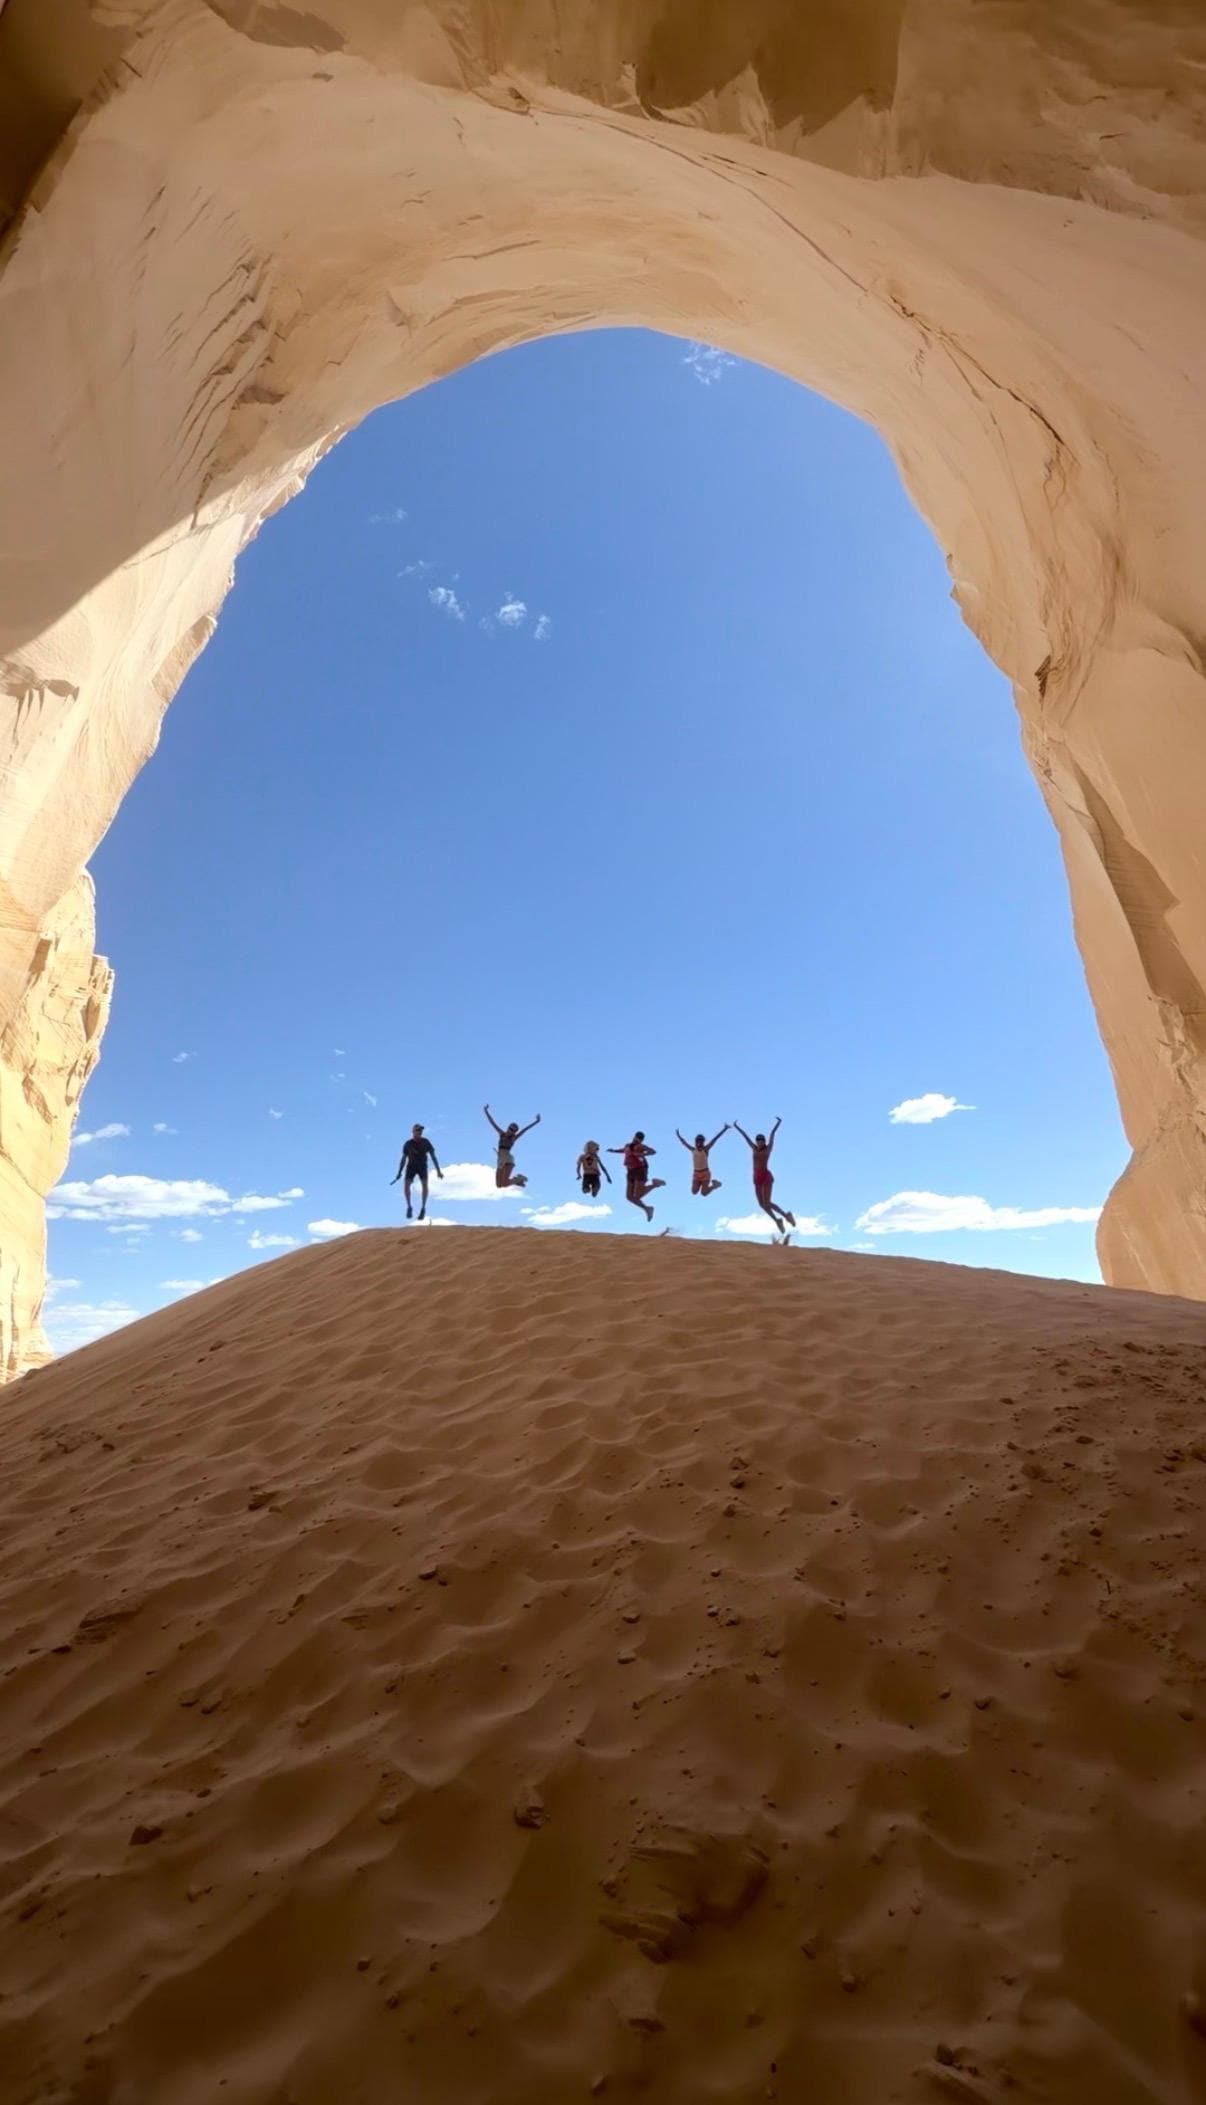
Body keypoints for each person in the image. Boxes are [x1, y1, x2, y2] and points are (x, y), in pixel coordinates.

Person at [733, 1116, 796, 1236]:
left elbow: (772, 1134)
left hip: (766, 1177)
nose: (759, 1142)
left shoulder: (768, 1148)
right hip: (756, 1178)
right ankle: (777, 1220)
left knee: (767, 1202)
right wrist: (737, 1127)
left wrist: (778, 1123)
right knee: (762, 1205)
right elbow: (745, 1137)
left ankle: (786, 1216)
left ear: (764, 1141)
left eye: (761, 1140)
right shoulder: (754, 1148)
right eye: (758, 1140)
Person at [608, 1130, 665, 1223]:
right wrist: (614, 1151)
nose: (637, 1140)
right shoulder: (627, 1145)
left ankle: (655, 1184)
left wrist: (642, 1154)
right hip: (630, 1172)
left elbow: (653, 1151)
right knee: (629, 1197)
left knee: (637, 1195)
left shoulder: (640, 1146)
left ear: (641, 1140)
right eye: (637, 1137)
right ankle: (647, 1209)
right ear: (634, 1137)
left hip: (639, 1170)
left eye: (640, 1139)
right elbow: (623, 1150)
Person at [391, 1122, 442, 1221]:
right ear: (413, 1132)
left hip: (422, 1166)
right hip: (411, 1166)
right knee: (406, 1185)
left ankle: (423, 1208)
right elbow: (403, 1159)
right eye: (418, 1130)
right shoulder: (408, 1144)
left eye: (421, 1130)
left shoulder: (426, 1142)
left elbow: (433, 1156)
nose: (420, 1132)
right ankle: (409, 1206)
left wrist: (438, 1171)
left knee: (424, 1185)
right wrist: (399, 1172)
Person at [484, 1102, 540, 1188]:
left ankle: (519, 1179)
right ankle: (517, 1181)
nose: (511, 1131)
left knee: (504, 1183)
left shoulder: (513, 1138)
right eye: (511, 1129)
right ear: (508, 1127)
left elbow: (525, 1129)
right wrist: (486, 1111)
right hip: (500, 1160)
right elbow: (492, 1122)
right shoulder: (501, 1134)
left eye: (514, 1130)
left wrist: (536, 1121)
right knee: (499, 1185)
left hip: (508, 1159)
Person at [676, 1122, 728, 1197]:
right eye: (698, 1142)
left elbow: (715, 1139)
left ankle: (715, 1185)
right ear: (696, 1143)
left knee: (704, 1193)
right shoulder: (693, 1150)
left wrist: (724, 1129)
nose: (699, 1144)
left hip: (705, 1173)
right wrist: (678, 1135)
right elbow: (684, 1143)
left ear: (703, 1142)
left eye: (701, 1142)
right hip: (696, 1173)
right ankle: (701, 1184)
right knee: (694, 1192)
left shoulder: (706, 1149)